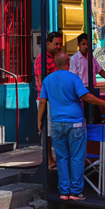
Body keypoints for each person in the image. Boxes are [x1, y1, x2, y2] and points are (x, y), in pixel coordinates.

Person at [38, 51, 105, 201]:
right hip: (75, 123)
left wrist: (39, 120)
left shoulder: (48, 80)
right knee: (76, 157)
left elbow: (42, 101)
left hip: (56, 124)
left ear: (55, 63)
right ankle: (75, 192)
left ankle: (63, 192)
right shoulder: (74, 78)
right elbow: (86, 96)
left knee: (61, 158)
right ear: (68, 61)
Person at [35, 31, 61, 169]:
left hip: (54, 100)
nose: (59, 46)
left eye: (60, 44)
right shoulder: (42, 59)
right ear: (48, 43)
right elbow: (42, 81)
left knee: (53, 131)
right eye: (56, 44)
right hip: (46, 100)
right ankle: (48, 160)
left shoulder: (54, 57)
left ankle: (52, 159)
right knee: (47, 132)